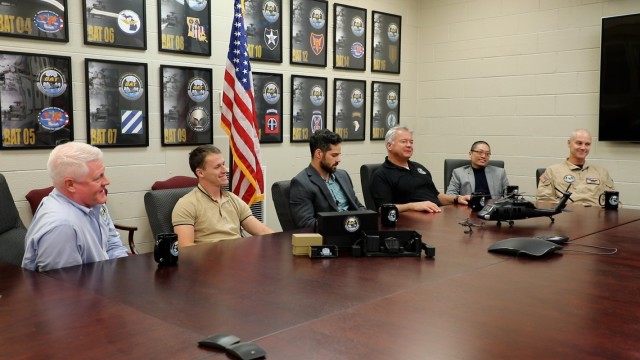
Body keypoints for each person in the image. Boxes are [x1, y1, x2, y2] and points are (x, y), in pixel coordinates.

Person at [22, 142, 129, 272]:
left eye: (103, 174)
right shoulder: (61, 227)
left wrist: (123, 276)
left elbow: (113, 246)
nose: (107, 181)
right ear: (70, 184)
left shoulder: (94, 202)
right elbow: (66, 287)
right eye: (98, 178)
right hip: (82, 290)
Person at [172, 145, 273, 248]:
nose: (225, 170)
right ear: (200, 173)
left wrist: (281, 242)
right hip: (208, 261)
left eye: (223, 164)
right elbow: (185, 247)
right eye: (217, 167)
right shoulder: (186, 204)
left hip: (239, 257)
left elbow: (262, 231)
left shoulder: (233, 199)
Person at [371, 126, 470, 213]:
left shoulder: (419, 167)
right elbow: (383, 209)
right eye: (403, 141)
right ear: (389, 146)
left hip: (436, 214)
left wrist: (457, 198)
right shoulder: (381, 174)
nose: (409, 145)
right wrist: (413, 206)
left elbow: (437, 196)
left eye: (411, 142)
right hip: (410, 222)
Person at [290, 129, 366, 228]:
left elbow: (357, 206)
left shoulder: (343, 175)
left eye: (339, 155)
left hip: (355, 232)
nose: (339, 160)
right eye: (334, 155)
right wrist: (344, 224)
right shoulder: (301, 183)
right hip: (330, 237)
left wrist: (370, 218)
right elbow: (306, 224)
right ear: (319, 154)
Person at [537, 129, 615, 206]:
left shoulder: (602, 172)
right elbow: (543, 201)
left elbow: (613, 201)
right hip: (565, 216)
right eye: (579, 143)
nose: (583, 147)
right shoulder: (552, 171)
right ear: (569, 143)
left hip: (596, 216)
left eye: (587, 144)